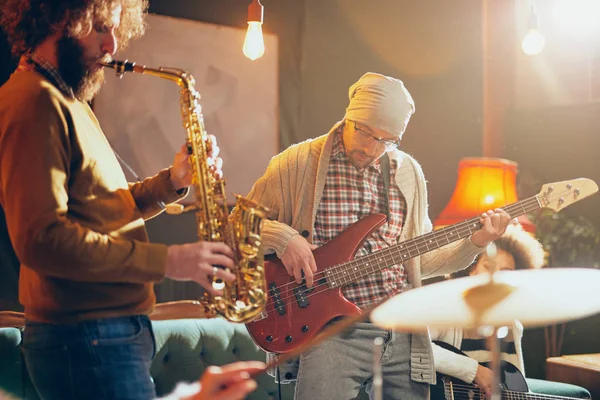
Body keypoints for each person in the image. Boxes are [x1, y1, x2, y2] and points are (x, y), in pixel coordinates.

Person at [0, 1, 239, 399]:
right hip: (87, 337)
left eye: (114, 29)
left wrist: (174, 180)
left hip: (107, 334)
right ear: (60, 18)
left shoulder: (69, 100)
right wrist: (171, 261)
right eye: (99, 28)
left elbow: (105, 208)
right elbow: (42, 240)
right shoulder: (33, 102)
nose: (112, 45)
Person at [244, 72, 512, 399]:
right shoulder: (296, 163)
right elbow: (237, 226)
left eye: (387, 141)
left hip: (402, 331)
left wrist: (477, 242)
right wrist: (283, 239)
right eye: (367, 134)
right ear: (349, 117)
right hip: (333, 332)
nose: (373, 149)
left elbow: (421, 262)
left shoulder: (407, 171)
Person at [429, 223, 546, 398]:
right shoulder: (446, 312)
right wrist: (474, 370)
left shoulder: (512, 325)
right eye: (488, 267)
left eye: (506, 272)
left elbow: (517, 388)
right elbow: (414, 350)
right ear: (471, 269)